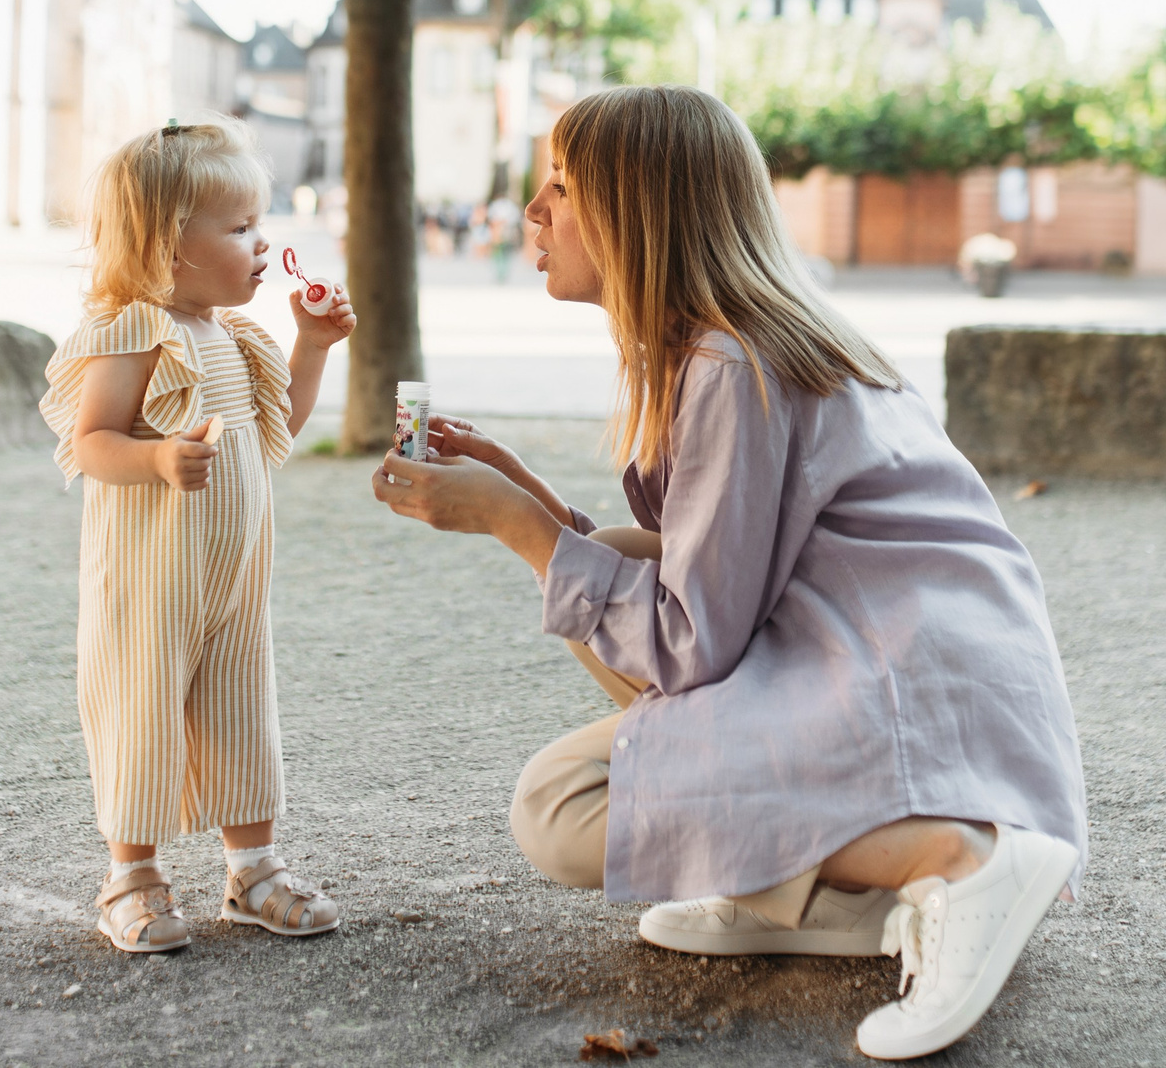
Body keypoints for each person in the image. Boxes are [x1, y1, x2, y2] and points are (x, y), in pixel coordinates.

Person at [371, 85, 1087, 1063]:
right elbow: (703, 574)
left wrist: (516, 523)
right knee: (621, 553)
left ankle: (957, 860)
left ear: (641, 211)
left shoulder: (729, 362)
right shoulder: (740, 338)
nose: (531, 209)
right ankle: (826, 895)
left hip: (902, 688)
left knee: (557, 805)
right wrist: (527, 496)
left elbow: (686, 644)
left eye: (561, 185)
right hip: (904, 663)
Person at [37, 115, 359, 956]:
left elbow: (275, 426)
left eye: (261, 224)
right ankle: (131, 875)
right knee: (142, 713)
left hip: (232, 581)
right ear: (167, 247)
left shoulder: (236, 337)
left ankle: (251, 868)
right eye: (242, 226)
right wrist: (154, 460)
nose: (262, 243)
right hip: (150, 584)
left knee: (242, 711)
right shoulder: (135, 332)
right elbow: (90, 440)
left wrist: (315, 345)